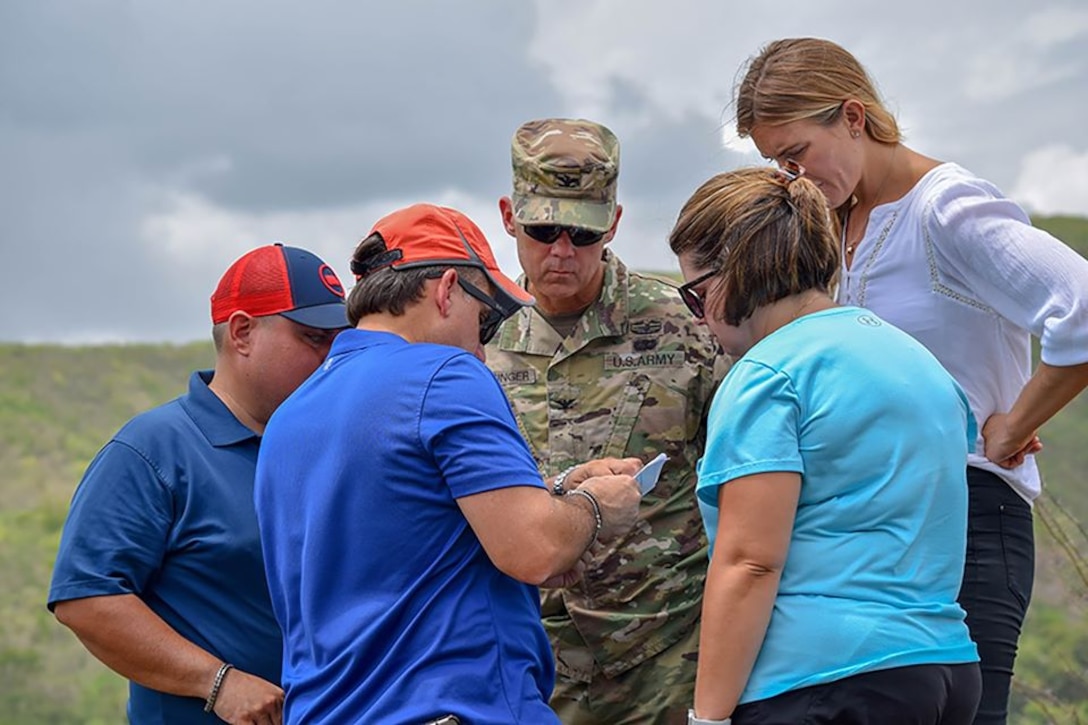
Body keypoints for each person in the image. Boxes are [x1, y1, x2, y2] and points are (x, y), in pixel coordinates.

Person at [731, 37, 1088, 724]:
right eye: (777, 163)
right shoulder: (832, 229)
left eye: (796, 153)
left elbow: (1081, 303)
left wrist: (1013, 423)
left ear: (854, 117)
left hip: (967, 519)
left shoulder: (945, 208)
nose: (791, 176)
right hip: (861, 535)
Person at [253, 203, 643, 725]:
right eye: (485, 319)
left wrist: (552, 488)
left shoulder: (289, 416)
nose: (484, 350)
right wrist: (595, 506)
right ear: (447, 289)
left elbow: (402, 531)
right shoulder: (445, 373)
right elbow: (535, 549)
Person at [670, 165, 981, 725]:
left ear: (737, 272)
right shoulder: (920, 363)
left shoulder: (769, 375)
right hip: (943, 668)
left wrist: (708, 717)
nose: (700, 321)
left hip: (820, 678)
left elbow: (750, 562)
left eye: (697, 295)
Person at [486, 117, 728, 723]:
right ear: (509, 217)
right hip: (532, 662)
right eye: (543, 230)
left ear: (614, 223)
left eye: (583, 233)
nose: (562, 251)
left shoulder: (688, 326)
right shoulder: (480, 341)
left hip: (670, 653)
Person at [48, 243, 350, 724]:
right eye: (314, 338)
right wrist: (217, 682)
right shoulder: (154, 449)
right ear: (243, 332)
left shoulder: (324, 450)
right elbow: (86, 599)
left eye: (340, 341)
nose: (331, 357)